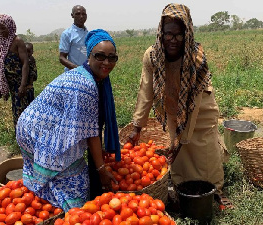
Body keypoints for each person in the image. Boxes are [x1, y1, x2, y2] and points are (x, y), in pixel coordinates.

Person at [127, 3, 233, 209]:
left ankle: (216, 190)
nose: (173, 40)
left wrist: (183, 139)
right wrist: (137, 127)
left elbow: (193, 107)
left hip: (201, 108)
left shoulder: (196, 57)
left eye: (178, 35)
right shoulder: (152, 55)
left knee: (204, 149)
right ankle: (182, 187)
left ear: (187, 32)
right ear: (161, 32)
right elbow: (145, 92)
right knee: (180, 155)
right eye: (168, 34)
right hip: (173, 106)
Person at [16, 29, 121, 212]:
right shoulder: (86, 85)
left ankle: (52, 207)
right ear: (89, 56)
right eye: (100, 56)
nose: (106, 62)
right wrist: (101, 169)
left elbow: (86, 127)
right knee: (75, 182)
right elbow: (91, 133)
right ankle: (72, 213)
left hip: (42, 126)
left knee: (68, 173)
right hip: (37, 131)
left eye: (112, 58)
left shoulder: (88, 76)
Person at [0, 14, 29, 132]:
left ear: (10, 26)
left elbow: (25, 64)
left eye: (3, 28)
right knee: (16, 110)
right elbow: (1, 67)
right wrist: (1, 89)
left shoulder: (18, 41)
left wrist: (22, 85)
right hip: (10, 85)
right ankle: (20, 138)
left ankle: (25, 139)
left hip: (20, 84)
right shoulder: (2, 42)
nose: (0, 31)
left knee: (22, 111)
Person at [59, 5, 88, 71]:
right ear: (72, 15)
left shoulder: (88, 34)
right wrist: (78, 69)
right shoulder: (67, 34)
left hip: (87, 73)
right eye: (78, 14)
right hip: (73, 73)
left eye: (83, 14)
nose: (81, 16)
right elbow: (62, 58)